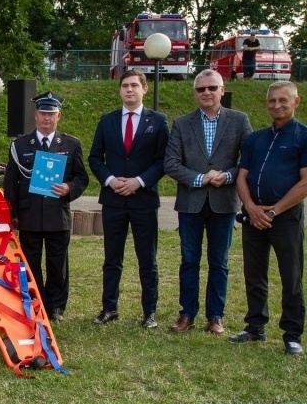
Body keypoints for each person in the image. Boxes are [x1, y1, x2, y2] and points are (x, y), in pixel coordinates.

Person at [164, 69, 253, 335]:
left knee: (220, 261)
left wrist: (226, 176)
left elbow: (249, 161)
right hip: (191, 202)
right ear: (195, 93)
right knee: (189, 260)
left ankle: (215, 316)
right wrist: (201, 178)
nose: (206, 93)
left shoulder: (239, 121)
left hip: (224, 202)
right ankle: (187, 314)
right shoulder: (182, 123)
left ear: (222, 91)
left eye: (212, 88)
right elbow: (171, 163)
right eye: (201, 89)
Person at [229, 81, 307, 357]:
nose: (277, 105)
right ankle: (254, 326)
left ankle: (292, 334)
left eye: (283, 101)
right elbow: (241, 176)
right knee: (254, 273)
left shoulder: (303, 136)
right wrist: (251, 207)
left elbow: (304, 183)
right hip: (254, 216)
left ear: (295, 103)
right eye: (272, 101)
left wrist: (273, 211)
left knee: (291, 275)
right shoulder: (256, 138)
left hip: (285, 218)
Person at [88, 69, 169, 329]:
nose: (129, 90)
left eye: (134, 85)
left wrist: (139, 182)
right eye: (125, 86)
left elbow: (163, 161)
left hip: (144, 199)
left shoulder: (158, 121)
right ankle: (109, 308)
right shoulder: (107, 120)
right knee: (112, 258)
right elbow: (94, 158)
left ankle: (149, 313)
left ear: (144, 89)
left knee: (148, 259)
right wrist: (111, 180)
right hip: (113, 200)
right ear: (120, 90)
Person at [3, 91, 89, 322]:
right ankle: (35, 301)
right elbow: (11, 182)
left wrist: (69, 188)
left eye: (51, 114)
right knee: (30, 263)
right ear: (35, 115)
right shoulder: (20, 145)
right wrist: (13, 215)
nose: (46, 118)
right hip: (29, 215)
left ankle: (56, 307)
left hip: (56, 214)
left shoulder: (71, 145)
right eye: (43, 113)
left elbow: (82, 178)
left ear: (58, 116)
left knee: (57, 264)